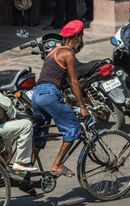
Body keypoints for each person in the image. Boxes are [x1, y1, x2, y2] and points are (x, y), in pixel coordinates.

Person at [32, 20, 89, 176]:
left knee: (40, 134)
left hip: (37, 94)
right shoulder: (68, 53)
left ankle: (27, 169)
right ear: (77, 37)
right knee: (73, 128)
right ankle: (57, 164)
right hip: (49, 94)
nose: (81, 41)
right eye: (81, 37)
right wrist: (83, 107)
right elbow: (74, 81)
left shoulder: (52, 52)